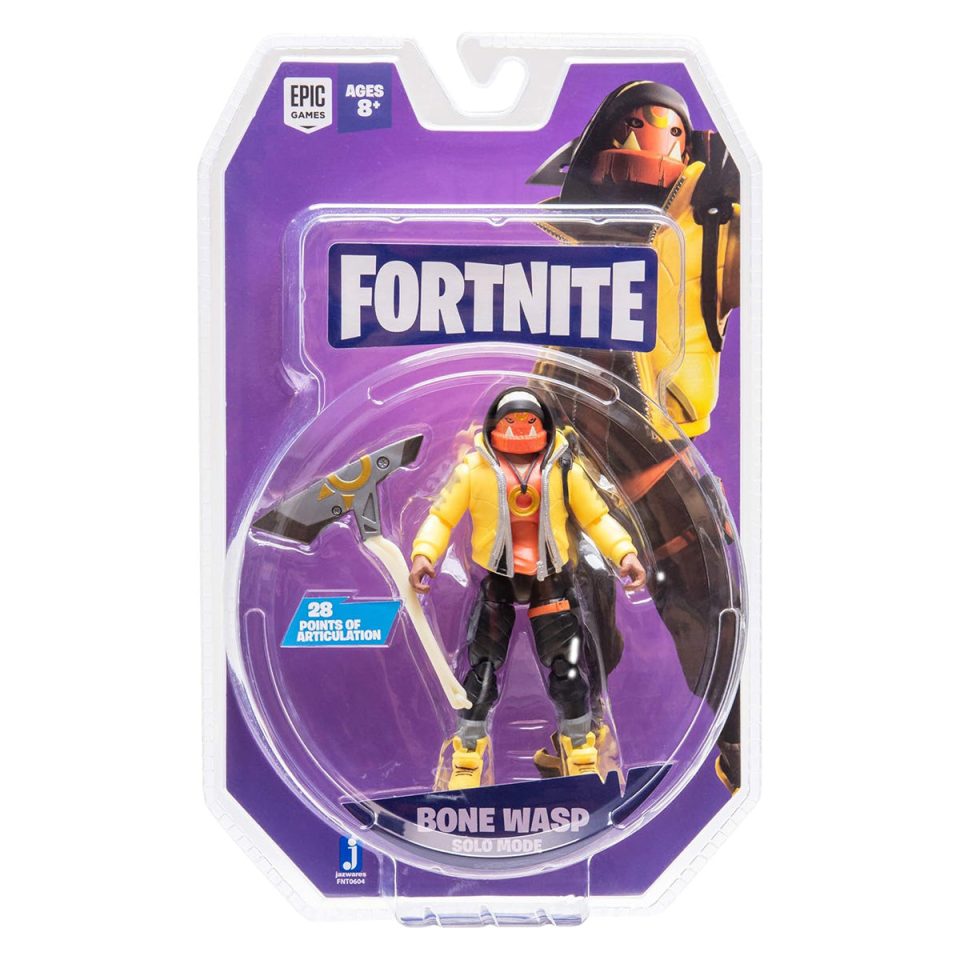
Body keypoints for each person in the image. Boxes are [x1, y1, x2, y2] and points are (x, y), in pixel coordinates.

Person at [409, 389, 645, 790]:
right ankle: (468, 752)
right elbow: (441, 516)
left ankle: (579, 748)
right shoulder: (474, 471)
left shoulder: (564, 471)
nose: (520, 430)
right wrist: (424, 554)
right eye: (511, 422)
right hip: (497, 582)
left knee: (568, 669)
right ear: (494, 426)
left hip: (550, 581)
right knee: (482, 669)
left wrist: (624, 553)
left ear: (544, 426)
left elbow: (597, 518)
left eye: (529, 422)